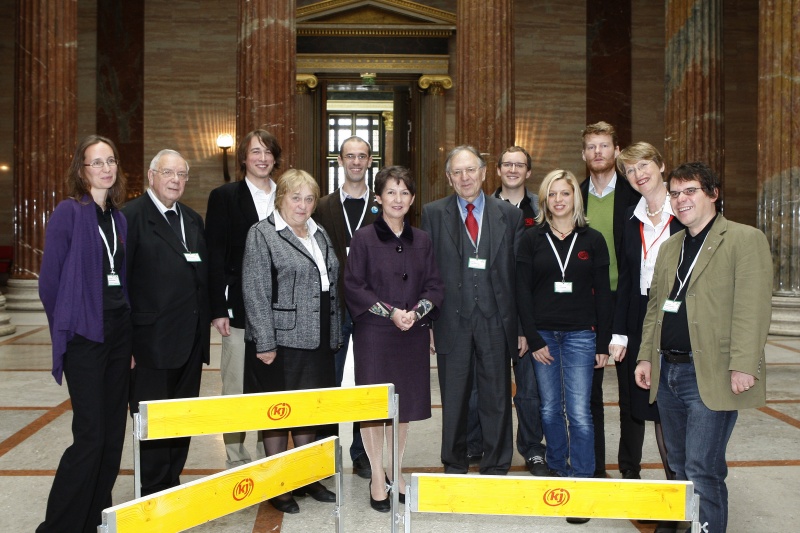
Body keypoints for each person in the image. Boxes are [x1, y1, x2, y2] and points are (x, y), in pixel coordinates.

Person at [635, 162, 772, 532]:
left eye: (690, 191)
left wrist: (744, 364)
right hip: (669, 373)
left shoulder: (744, 239)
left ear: (713, 194)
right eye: (676, 193)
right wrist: (647, 356)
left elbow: (753, 308)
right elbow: (656, 309)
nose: (681, 200)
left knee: (703, 469)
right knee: (679, 467)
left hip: (710, 371)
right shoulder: (670, 247)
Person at [37, 135, 132, 532]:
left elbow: (122, 279)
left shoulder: (119, 218)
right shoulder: (68, 212)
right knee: (90, 437)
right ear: (82, 170)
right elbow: (49, 281)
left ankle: (93, 520)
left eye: (110, 160)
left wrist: (127, 343)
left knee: (112, 438)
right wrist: (67, 329)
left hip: (117, 334)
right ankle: (58, 526)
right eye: (97, 162)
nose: (106, 168)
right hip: (84, 336)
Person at [421, 145, 526, 476]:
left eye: (471, 170)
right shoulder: (434, 213)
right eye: (457, 172)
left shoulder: (508, 214)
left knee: (497, 395)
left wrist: (521, 326)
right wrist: (428, 324)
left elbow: (518, 276)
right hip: (452, 320)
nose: (465, 178)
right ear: (449, 178)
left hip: (496, 319)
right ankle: (454, 460)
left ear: (483, 173)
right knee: (454, 395)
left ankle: (496, 463)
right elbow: (427, 272)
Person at [344, 166, 444, 511]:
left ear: (412, 199)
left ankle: (397, 472)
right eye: (390, 192)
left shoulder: (424, 240)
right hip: (375, 334)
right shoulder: (364, 239)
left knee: (402, 407)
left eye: (404, 192)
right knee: (376, 407)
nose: (397, 199)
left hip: (412, 334)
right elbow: (354, 285)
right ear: (378, 198)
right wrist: (391, 313)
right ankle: (376, 475)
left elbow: (435, 285)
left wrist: (417, 312)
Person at [242, 169, 341, 514]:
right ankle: (278, 485)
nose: (303, 205)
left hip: (319, 337)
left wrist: (336, 332)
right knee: (278, 414)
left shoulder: (319, 232)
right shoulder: (262, 233)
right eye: (295, 197)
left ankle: (304, 476)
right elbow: (255, 291)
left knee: (308, 410)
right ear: (280, 197)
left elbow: (329, 282)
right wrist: (265, 342)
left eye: (309, 198)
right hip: (281, 342)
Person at [517, 169, 612, 525]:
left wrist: (603, 341)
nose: (559, 200)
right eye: (552, 194)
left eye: (565, 193)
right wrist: (534, 337)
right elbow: (521, 292)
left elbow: (603, 294)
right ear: (544, 199)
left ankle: (583, 482)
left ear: (576, 198)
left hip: (580, 336)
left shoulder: (593, 239)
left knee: (579, 411)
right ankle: (558, 472)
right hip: (544, 336)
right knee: (549, 409)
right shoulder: (531, 239)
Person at [125, 149, 210, 496]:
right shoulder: (130, 218)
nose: (175, 180)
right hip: (150, 343)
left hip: (190, 339)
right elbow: (122, 285)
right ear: (151, 176)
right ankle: (153, 489)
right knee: (156, 420)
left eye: (182, 174)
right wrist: (126, 344)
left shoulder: (192, 219)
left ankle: (172, 483)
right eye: (168, 173)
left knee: (182, 416)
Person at [610, 143, 682, 533]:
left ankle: (680, 495)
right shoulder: (630, 216)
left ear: (661, 166)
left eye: (644, 166)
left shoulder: (684, 210)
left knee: (671, 408)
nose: (638, 175)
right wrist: (620, 333)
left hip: (677, 316)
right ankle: (647, 487)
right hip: (640, 314)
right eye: (631, 170)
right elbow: (624, 280)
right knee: (644, 404)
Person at [206, 129, 281, 468]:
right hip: (237, 307)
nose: (262, 158)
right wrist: (217, 308)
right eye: (255, 152)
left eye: (267, 151)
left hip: (282, 311)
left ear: (275, 158)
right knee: (235, 385)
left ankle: (273, 457)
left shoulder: (288, 196)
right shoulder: (224, 197)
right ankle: (237, 461)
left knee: (274, 388)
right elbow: (214, 255)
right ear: (244, 158)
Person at [312, 135, 379, 479]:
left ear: (370, 161)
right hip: (335, 306)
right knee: (330, 381)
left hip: (371, 308)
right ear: (340, 161)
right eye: (349, 156)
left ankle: (363, 454)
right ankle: (325, 452)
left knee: (367, 382)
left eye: (362, 156)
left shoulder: (383, 205)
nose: (356, 162)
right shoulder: (322, 206)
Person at [579, 121, 641, 477]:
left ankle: (630, 470)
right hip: (588, 303)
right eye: (591, 147)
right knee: (588, 395)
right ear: (584, 153)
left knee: (632, 392)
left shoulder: (634, 194)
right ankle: (595, 470)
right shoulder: (575, 194)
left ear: (617, 151)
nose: (597, 152)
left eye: (604, 145)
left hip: (627, 300)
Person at [492, 146, 548, 476]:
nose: (513, 169)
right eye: (507, 164)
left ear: (528, 172)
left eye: (520, 165)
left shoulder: (541, 211)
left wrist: (527, 325)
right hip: (490, 313)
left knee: (530, 390)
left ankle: (533, 448)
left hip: (530, 312)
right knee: (488, 386)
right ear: (498, 170)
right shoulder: (481, 208)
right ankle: (486, 443)